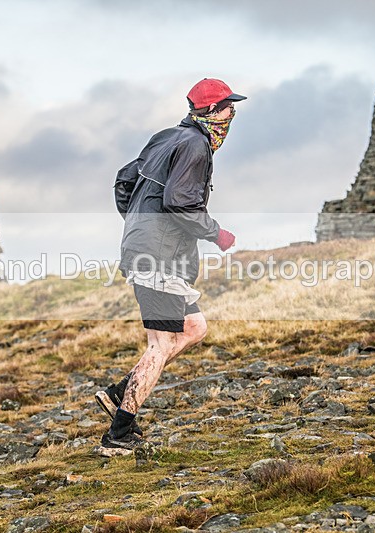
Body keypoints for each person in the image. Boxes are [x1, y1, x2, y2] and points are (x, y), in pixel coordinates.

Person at [95, 78, 246, 450]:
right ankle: (118, 434)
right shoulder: (196, 146)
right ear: (211, 112)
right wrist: (216, 233)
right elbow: (180, 202)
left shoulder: (167, 136)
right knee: (160, 345)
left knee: (194, 327)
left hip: (155, 253)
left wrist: (137, 226)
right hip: (157, 259)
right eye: (228, 108)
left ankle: (119, 393)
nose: (232, 114)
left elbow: (123, 181)